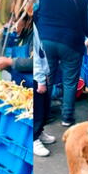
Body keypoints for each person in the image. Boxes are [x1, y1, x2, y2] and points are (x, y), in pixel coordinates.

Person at [36, 0, 88, 127]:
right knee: (70, 82)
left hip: (46, 37)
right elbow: (87, 21)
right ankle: (67, 118)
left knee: (47, 79)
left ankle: (44, 115)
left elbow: (35, 7)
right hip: (71, 41)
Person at [32, 26, 56, 157]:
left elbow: (40, 51)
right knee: (38, 109)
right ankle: (34, 138)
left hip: (40, 75)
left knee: (43, 107)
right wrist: (41, 79)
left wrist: (45, 72)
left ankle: (39, 132)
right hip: (36, 78)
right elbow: (35, 56)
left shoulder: (34, 26)